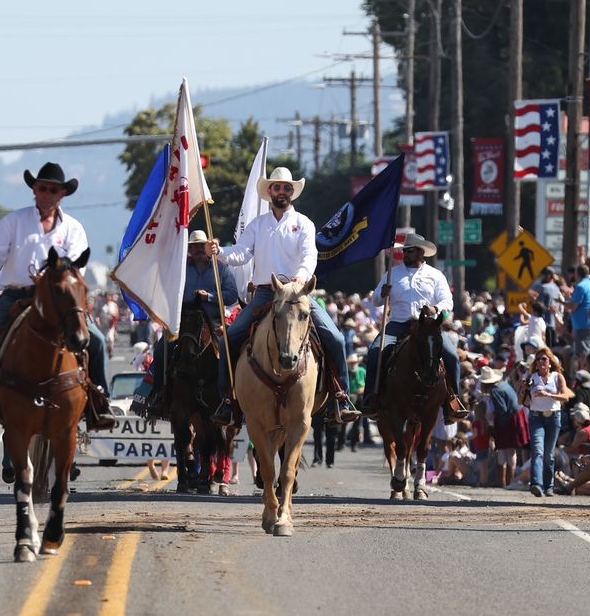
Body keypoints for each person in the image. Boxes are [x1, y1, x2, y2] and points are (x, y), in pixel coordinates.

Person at [0, 162, 116, 436]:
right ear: (34, 190)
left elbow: (76, 267)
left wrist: (50, 279)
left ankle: (98, 402)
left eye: (53, 190)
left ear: (62, 194)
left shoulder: (73, 228)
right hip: (17, 295)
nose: (47, 193)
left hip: (59, 297)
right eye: (42, 188)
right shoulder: (14, 221)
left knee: (97, 341)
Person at [209, 167, 358, 427]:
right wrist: (219, 251)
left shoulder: (304, 224)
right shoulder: (257, 225)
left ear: (292, 193)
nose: (282, 191)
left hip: (297, 291)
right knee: (229, 340)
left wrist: (301, 277)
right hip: (266, 292)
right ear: (269, 192)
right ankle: (227, 401)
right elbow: (242, 254)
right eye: (277, 187)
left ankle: (341, 396)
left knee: (333, 336)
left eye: (287, 187)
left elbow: (309, 256)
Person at [359, 233, 469, 423]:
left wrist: (435, 308)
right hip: (397, 324)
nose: (405, 254)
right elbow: (376, 300)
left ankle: (453, 400)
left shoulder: (435, 275)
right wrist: (382, 293)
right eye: (404, 251)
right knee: (375, 352)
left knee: (451, 356)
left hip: (427, 326)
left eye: (409, 251)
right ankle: (371, 398)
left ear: (421, 253)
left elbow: (447, 301)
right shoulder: (392, 273)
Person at [146, 229, 238, 417]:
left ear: (208, 247)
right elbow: (167, 289)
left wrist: (210, 297)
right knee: (161, 349)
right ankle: (158, 395)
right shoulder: (180, 269)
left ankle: (232, 399)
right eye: (193, 246)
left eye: (200, 246)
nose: (197, 249)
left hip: (212, 322)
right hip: (185, 319)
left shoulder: (221, 269)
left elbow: (231, 295)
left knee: (232, 352)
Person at [526, 349, 575, 497]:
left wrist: (548, 394)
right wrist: (523, 390)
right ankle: (536, 484)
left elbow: (565, 397)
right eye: (538, 359)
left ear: (550, 362)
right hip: (536, 417)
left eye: (544, 359)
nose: (541, 362)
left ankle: (548, 486)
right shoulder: (532, 378)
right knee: (538, 450)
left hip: (553, 417)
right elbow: (524, 400)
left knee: (549, 454)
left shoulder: (557, 377)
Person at [565, 264, 590, 374]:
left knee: (581, 356)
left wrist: (561, 302)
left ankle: (581, 382)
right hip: (588, 325)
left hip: (583, 326)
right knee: (585, 355)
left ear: (577, 274)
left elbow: (573, 306)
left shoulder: (581, 286)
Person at [528, 267, 561, 347]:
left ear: (549, 276)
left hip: (542, 324)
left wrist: (533, 300)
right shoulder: (557, 288)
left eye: (544, 275)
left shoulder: (543, 288)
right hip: (554, 324)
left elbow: (539, 306)